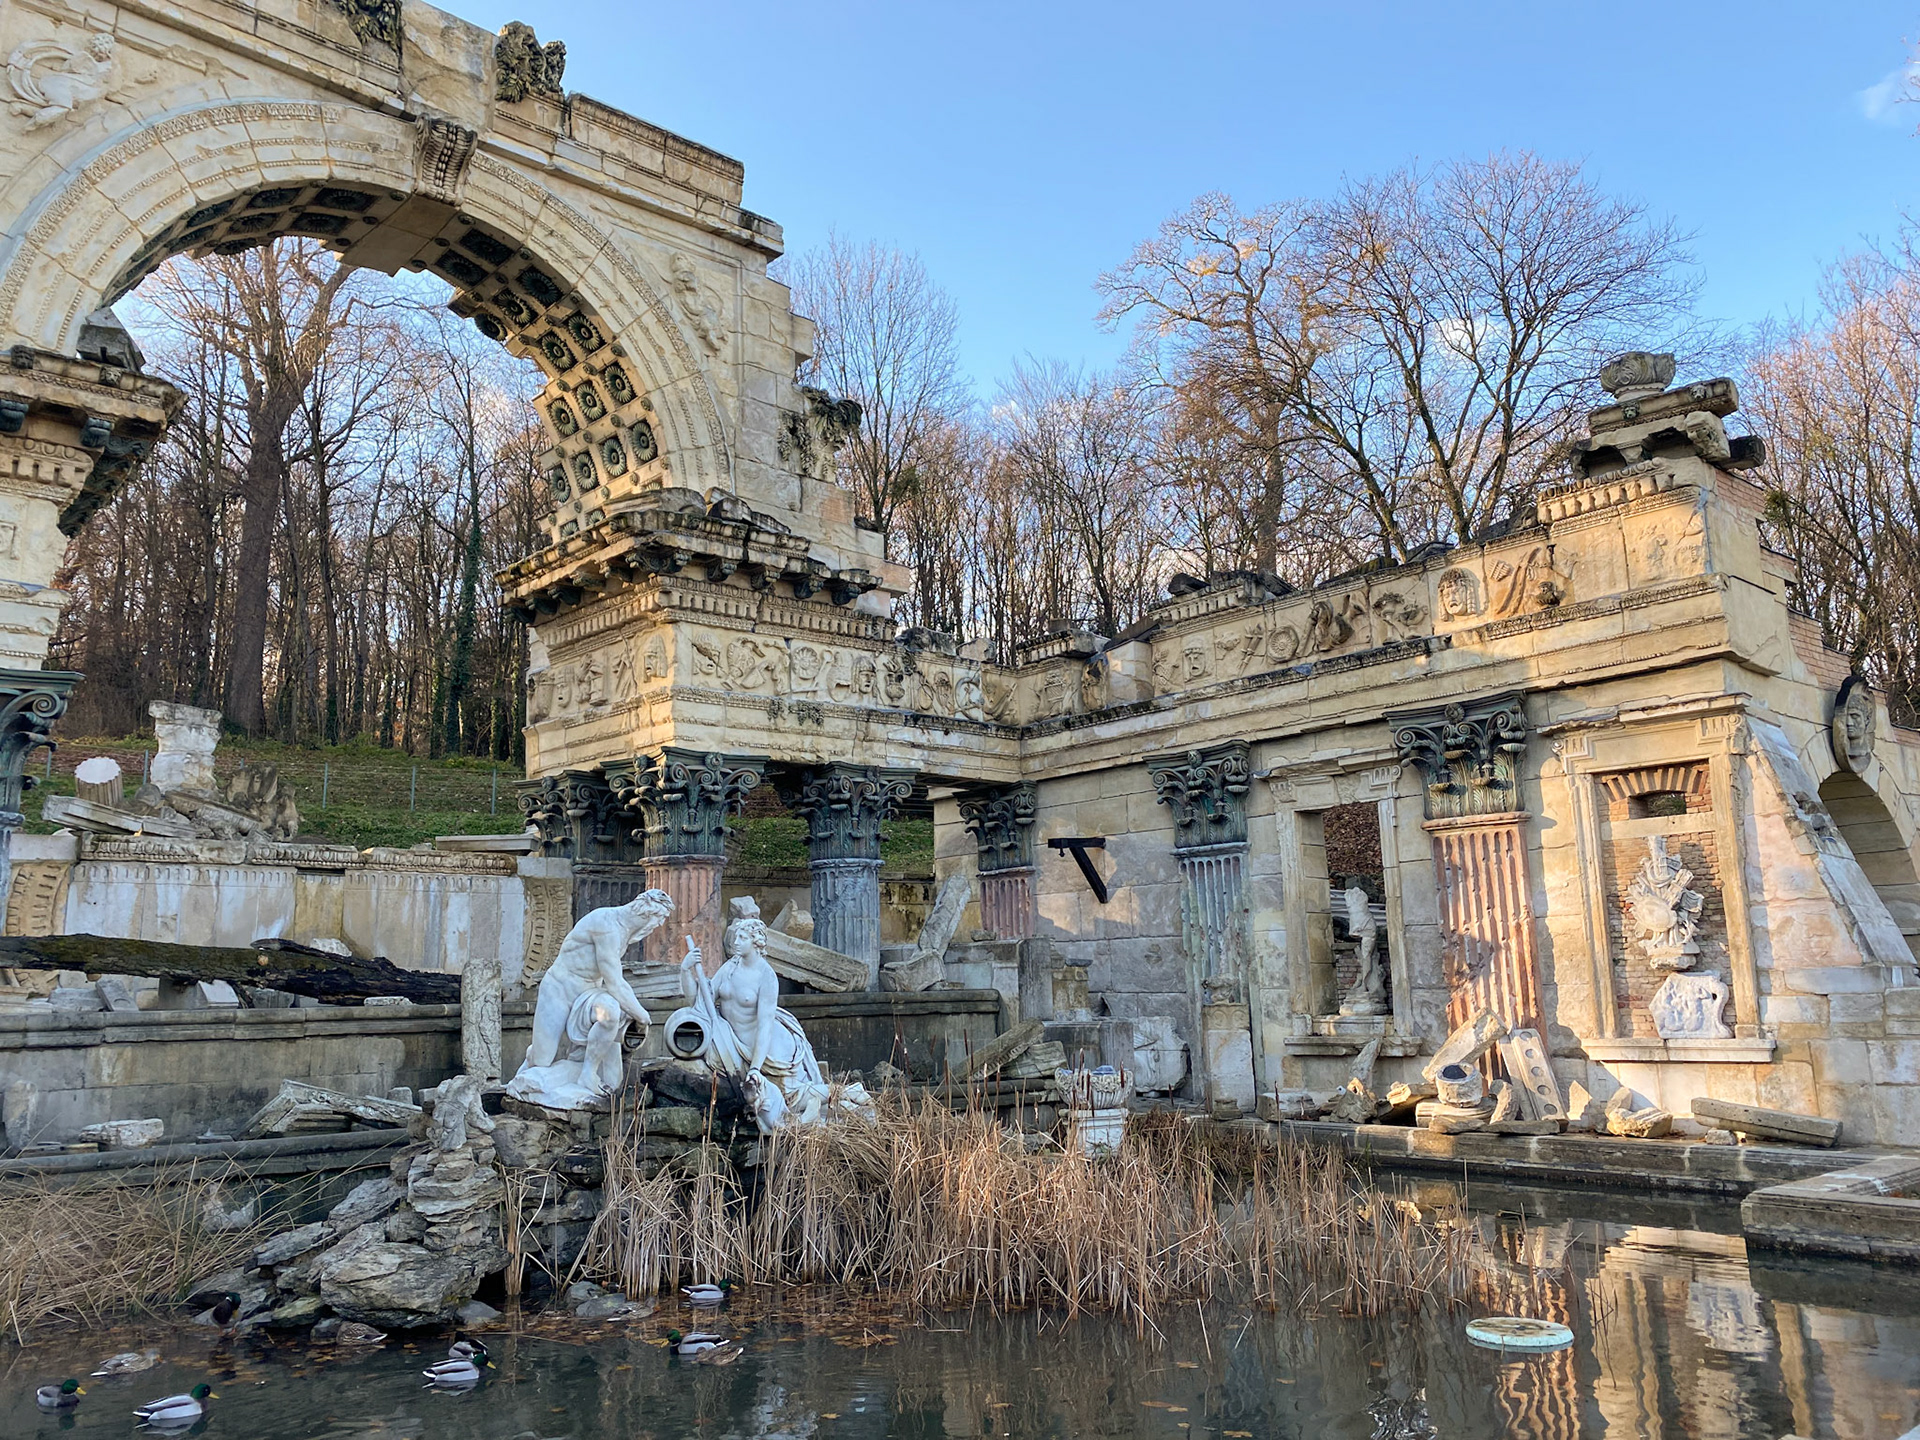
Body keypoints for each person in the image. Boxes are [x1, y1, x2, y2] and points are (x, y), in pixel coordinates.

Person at [507, 889, 672, 1109]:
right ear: (647, 914)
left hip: (588, 993)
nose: (657, 926)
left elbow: (612, 985)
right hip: (560, 989)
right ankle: (519, 1081)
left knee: (610, 1015)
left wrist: (632, 1013)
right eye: (658, 920)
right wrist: (642, 1015)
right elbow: (615, 983)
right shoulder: (606, 925)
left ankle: (588, 1073)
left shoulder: (624, 932)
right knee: (541, 1059)